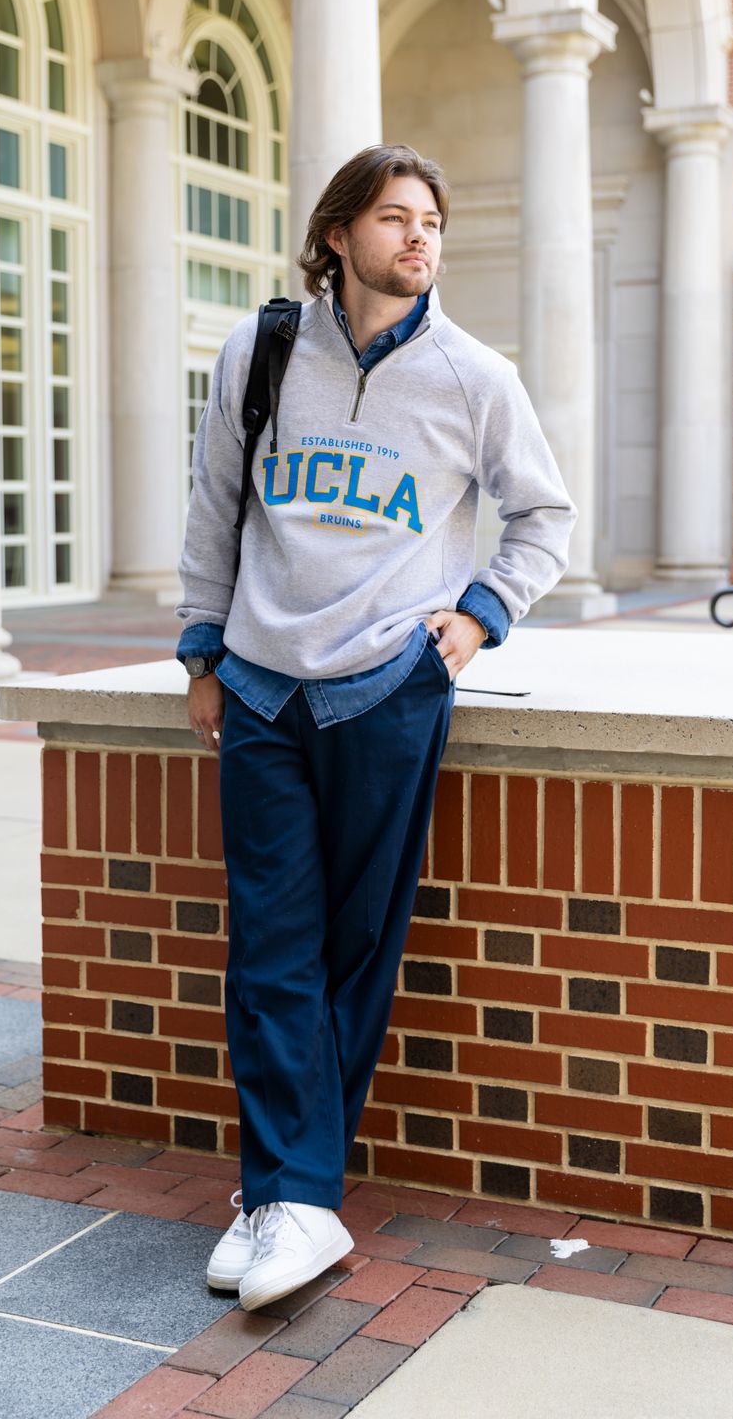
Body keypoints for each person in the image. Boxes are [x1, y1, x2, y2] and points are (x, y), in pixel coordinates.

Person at [174, 144, 576, 1312]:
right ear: (338, 234)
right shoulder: (259, 351)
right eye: (393, 218)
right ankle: (289, 1196)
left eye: (431, 222)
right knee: (269, 947)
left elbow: (543, 517)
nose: (418, 238)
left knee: (354, 944)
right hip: (258, 689)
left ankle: (289, 1196)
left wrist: (478, 620)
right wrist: (202, 648)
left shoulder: (472, 376)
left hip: (383, 692)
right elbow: (214, 505)